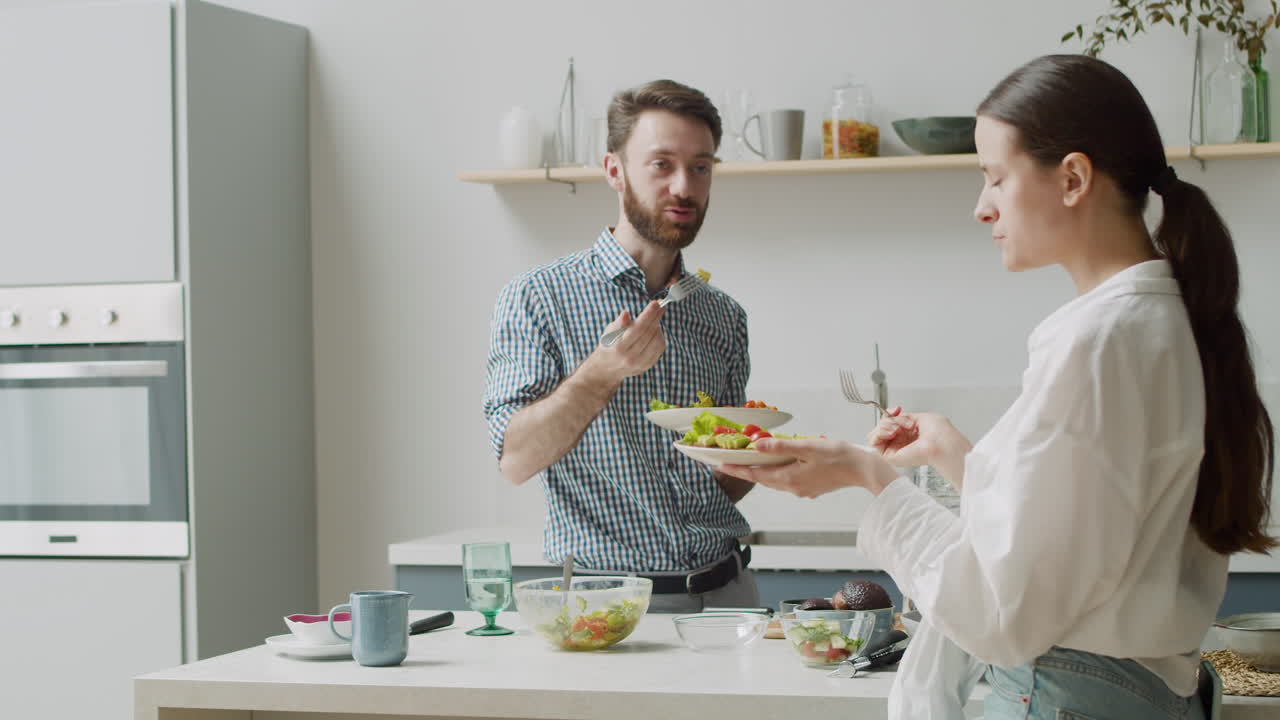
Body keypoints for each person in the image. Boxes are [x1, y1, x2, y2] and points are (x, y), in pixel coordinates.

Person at [719, 54, 1275, 718]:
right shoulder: (1158, 317)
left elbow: (1001, 611)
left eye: (995, 177)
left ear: (1072, 178)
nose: (982, 207)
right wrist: (958, 453)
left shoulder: (1096, 340)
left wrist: (868, 477)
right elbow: (1089, 523)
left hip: (1068, 695)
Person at [483, 79, 759, 613]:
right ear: (614, 171)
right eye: (662, 164)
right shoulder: (538, 297)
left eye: (701, 167)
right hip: (607, 605)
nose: (685, 186)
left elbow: (720, 477)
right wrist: (601, 373)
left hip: (732, 596)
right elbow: (515, 460)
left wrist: (759, 461)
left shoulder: (721, 315)